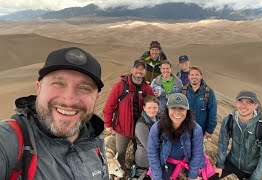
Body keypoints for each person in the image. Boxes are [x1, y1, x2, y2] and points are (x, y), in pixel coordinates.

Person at [0, 47, 109, 179]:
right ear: (38, 88)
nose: (69, 100)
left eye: (84, 88)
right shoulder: (9, 141)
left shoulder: (96, 141)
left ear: (96, 98)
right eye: (58, 83)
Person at [103, 59, 154, 171]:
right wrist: (108, 124)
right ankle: (120, 172)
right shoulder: (120, 86)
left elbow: (152, 105)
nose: (139, 71)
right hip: (122, 128)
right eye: (137, 68)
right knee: (120, 153)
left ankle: (135, 170)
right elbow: (109, 107)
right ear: (132, 70)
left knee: (139, 152)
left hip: (140, 129)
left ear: (145, 72)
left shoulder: (147, 88)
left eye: (142, 69)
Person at [212, 90, 262, 180]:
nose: (243, 106)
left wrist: (255, 178)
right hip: (231, 162)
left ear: (255, 106)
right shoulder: (229, 120)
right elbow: (223, 143)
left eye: (249, 103)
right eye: (240, 101)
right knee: (209, 177)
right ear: (236, 103)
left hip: (250, 171)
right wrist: (219, 165)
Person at [148, 93, 205, 180]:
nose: (177, 112)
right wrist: (156, 177)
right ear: (167, 110)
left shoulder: (195, 129)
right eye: (173, 108)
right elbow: (153, 153)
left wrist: (192, 176)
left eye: (182, 108)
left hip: (188, 159)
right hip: (167, 162)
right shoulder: (157, 128)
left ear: (187, 111)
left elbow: (197, 153)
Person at [185, 66, 217, 138]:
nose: (194, 77)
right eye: (192, 75)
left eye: (197, 75)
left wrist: (209, 130)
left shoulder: (209, 92)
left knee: (198, 149)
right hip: (184, 130)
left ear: (201, 76)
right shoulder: (183, 91)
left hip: (200, 131)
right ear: (188, 76)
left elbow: (213, 112)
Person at [133, 96, 160, 178]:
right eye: (149, 108)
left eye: (155, 107)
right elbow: (150, 147)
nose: (152, 110)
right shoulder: (141, 125)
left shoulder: (158, 120)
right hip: (145, 159)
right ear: (144, 108)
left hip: (157, 154)